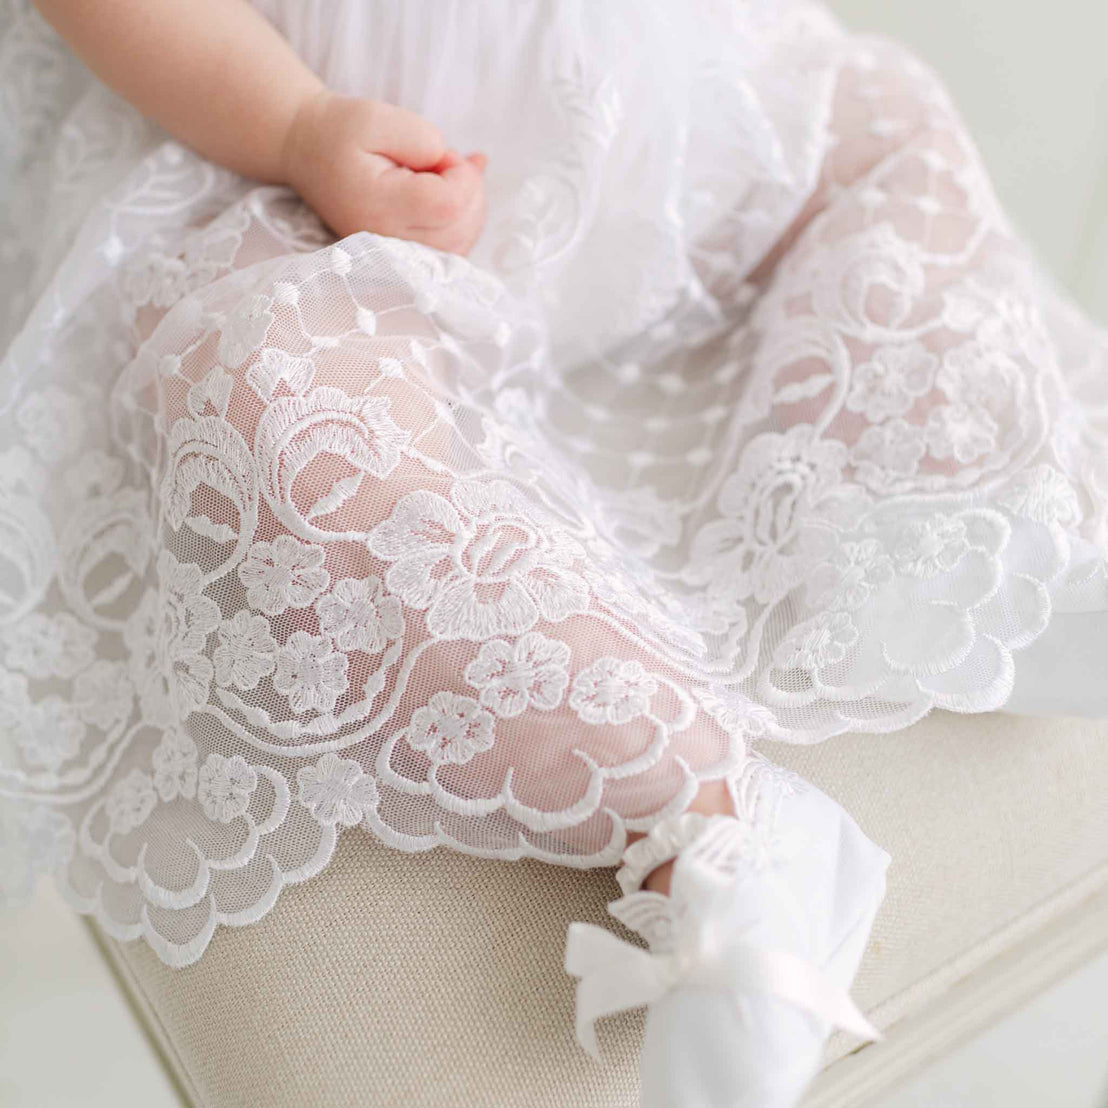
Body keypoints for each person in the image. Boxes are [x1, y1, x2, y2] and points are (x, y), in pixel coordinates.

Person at [3, 2, 1105, 1104]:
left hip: (687, 137)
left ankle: (976, 518)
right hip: (314, 179)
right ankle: (707, 826)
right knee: (261, 393)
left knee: (890, 137)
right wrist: (295, 126)